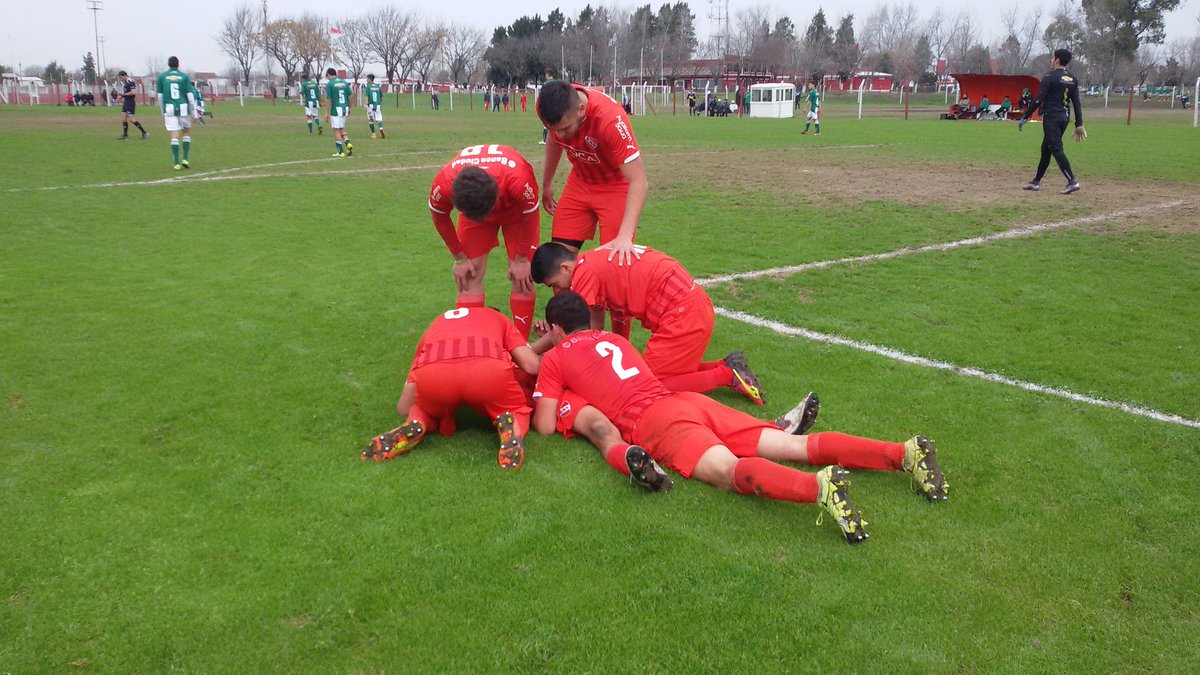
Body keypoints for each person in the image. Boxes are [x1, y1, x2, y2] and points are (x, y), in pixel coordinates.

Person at [533, 292, 949, 543]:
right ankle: (902, 452)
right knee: (793, 445)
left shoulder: (556, 356)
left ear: (554, 327)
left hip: (657, 420)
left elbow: (547, 426)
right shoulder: (613, 339)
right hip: (689, 402)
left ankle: (817, 489)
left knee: (727, 471)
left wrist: (549, 365)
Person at [530, 241, 765, 405]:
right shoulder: (593, 263)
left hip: (682, 313)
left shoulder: (584, 273)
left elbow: (575, 330)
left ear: (565, 267)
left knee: (649, 387)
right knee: (663, 373)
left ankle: (727, 374)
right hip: (690, 306)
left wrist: (531, 350)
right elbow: (596, 325)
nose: (558, 290)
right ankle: (727, 364)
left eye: (554, 284)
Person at [536, 80, 649, 341]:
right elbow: (554, 141)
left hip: (615, 186)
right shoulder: (546, 105)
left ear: (581, 109)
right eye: (555, 130)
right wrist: (548, 182)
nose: (562, 135)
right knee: (558, 264)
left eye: (566, 128)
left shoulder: (610, 120)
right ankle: (570, 340)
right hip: (580, 183)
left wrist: (624, 234)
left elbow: (639, 181)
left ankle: (620, 343)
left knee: (616, 270)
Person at [361, 307, 539, 469]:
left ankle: (417, 422)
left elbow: (403, 406)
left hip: (433, 371)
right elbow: (531, 365)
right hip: (487, 370)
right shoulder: (499, 318)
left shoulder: (437, 323)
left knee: (424, 407)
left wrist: (418, 406)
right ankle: (510, 422)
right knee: (516, 408)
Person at [428, 144, 541, 339]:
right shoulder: (444, 183)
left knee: (523, 277)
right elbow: (440, 217)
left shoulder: (518, 178)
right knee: (469, 276)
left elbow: (531, 215)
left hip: (516, 212)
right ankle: (473, 346)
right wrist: (459, 258)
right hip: (475, 210)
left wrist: (522, 259)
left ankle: (522, 348)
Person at [1019, 48, 1086, 195]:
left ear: (1056, 60)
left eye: (1052, 58)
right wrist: (1079, 123)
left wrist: (1026, 115)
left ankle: (1072, 181)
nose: (1051, 60)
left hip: (1052, 117)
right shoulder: (1073, 78)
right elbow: (1076, 103)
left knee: (1055, 148)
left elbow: (1038, 99)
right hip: (1064, 118)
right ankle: (1036, 182)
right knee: (1046, 148)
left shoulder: (1049, 76)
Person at [155, 56, 195, 170]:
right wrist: (194, 113)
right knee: (186, 132)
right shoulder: (184, 77)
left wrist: (162, 112)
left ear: (168, 64)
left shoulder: (162, 77)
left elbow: (159, 97)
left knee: (174, 135)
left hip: (170, 109)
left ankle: (177, 163)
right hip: (183, 108)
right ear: (178, 64)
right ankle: (185, 159)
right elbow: (190, 96)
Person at [323, 67, 354, 158]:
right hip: (345, 108)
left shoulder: (330, 84)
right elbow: (351, 94)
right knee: (341, 129)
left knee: (336, 130)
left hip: (336, 110)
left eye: (327, 76)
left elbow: (329, 99)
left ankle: (340, 152)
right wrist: (349, 106)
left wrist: (326, 112)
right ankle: (348, 143)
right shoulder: (344, 82)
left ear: (328, 74)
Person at [116, 71, 148, 140]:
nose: (120, 79)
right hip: (126, 102)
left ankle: (144, 132)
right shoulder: (126, 82)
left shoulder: (130, 82)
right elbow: (126, 92)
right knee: (123, 118)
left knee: (131, 120)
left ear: (124, 75)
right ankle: (125, 135)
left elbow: (133, 92)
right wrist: (121, 97)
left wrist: (123, 95)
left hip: (130, 102)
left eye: (121, 77)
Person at [363, 74, 385, 139]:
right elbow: (381, 97)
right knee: (379, 118)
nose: (366, 80)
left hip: (371, 105)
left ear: (370, 79)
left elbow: (366, 96)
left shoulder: (368, 87)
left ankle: (373, 134)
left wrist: (365, 104)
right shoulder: (378, 87)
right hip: (377, 105)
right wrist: (379, 104)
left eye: (367, 79)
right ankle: (381, 128)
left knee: (371, 120)